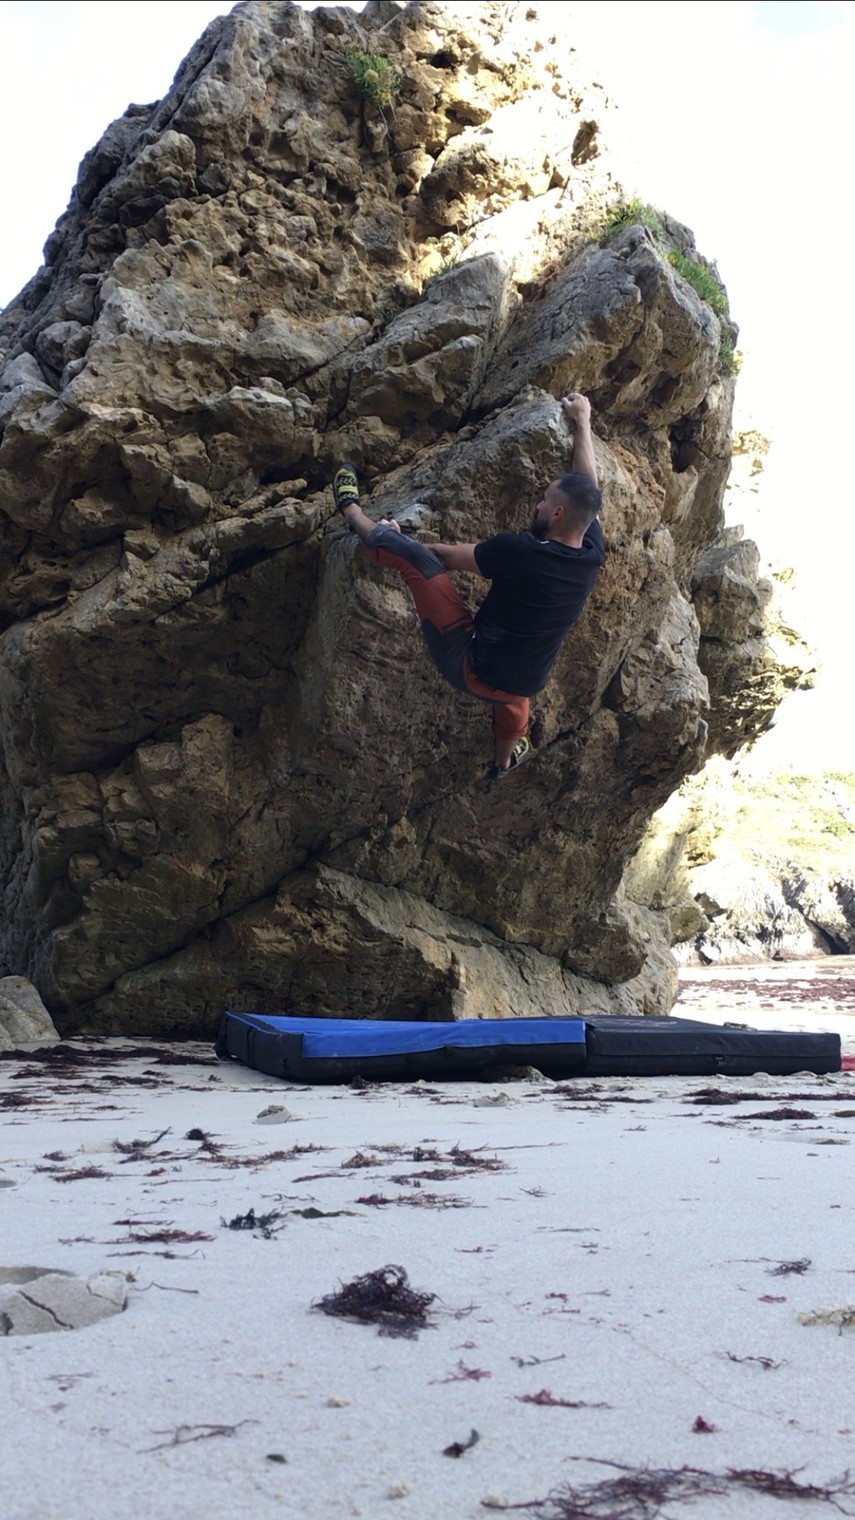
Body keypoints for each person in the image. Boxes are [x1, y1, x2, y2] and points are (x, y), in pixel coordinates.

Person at [333, 392, 604, 778]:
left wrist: (397, 538)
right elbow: (588, 490)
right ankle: (502, 763)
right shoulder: (590, 552)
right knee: (514, 700)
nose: (537, 505)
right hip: (523, 684)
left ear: (558, 514)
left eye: (544, 501)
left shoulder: (521, 551)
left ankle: (349, 509)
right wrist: (582, 422)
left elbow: (441, 558)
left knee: (415, 560)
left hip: (468, 666)